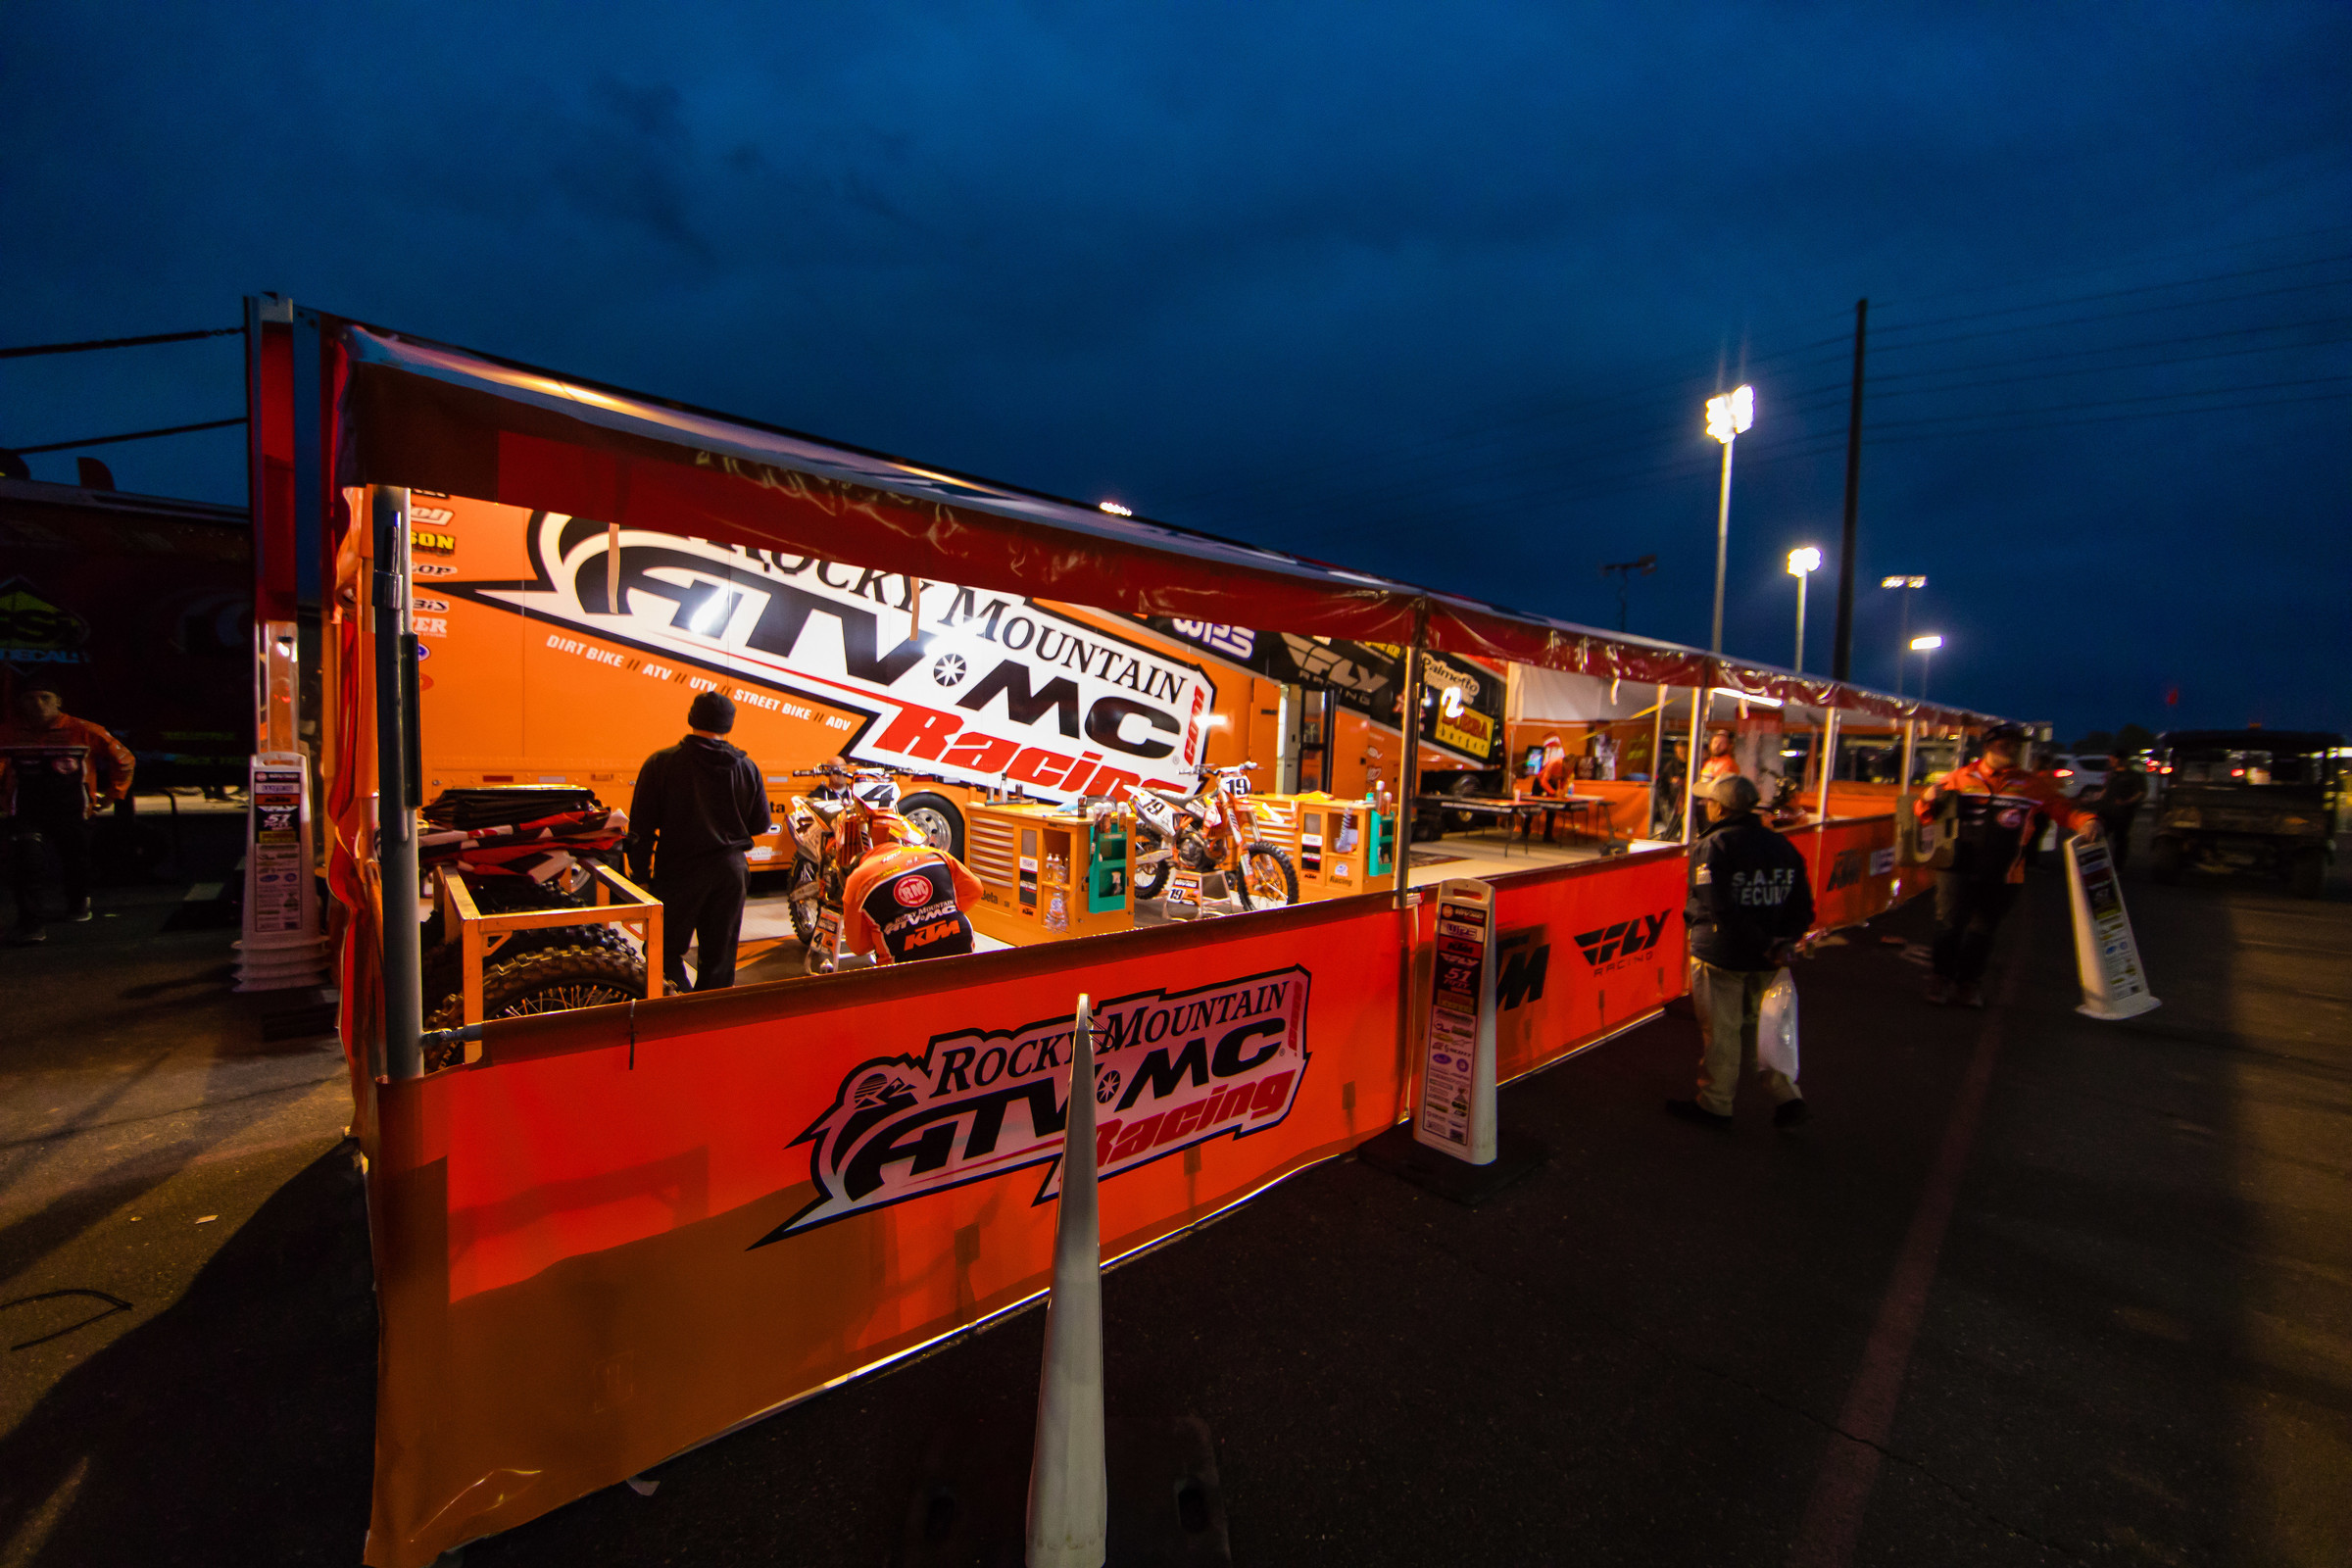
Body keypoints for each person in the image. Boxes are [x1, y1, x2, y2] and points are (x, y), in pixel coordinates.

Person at [1915, 721, 2101, 1007]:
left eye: (2015, 745)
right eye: (2005, 744)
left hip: (2005, 872)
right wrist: (1927, 799)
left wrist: (2085, 821)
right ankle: (1939, 979)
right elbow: (1923, 814)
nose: (2010, 749)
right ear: (1988, 745)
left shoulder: (2030, 783)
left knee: (1983, 931)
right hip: (1956, 867)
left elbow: (2061, 808)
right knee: (1949, 925)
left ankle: (1968, 984)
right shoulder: (1960, 777)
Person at [1669, 773, 1814, 1130]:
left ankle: (1715, 1105)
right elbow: (1803, 908)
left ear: (1720, 807)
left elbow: (1719, 907)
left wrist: (1765, 943)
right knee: (1765, 1030)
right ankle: (1787, 1098)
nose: (1704, 806)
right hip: (1769, 960)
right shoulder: (1782, 846)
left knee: (1722, 1031)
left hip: (1722, 955)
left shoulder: (1714, 846)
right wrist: (1782, 942)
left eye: (1708, 801)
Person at [626, 691, 771, 993]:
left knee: (661, 952)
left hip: (680, 870)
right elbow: (760, 824)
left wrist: (640, 876)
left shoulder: (661, 763)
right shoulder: (747, 767)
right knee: (719, 958)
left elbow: (640, 827)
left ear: (692, 718)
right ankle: (708, 1023)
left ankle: (678, 1003)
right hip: (731, 872)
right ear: (728, 725)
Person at [2, 687, 135, 944]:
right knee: (26, 863)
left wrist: (114, 794)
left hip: (72, 811)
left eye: (45, 697)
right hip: (26, 812)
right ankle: (31, 926)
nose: (38, 704)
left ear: (58, 702)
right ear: (21, 703)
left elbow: (125, 759)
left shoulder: (84, 730)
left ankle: (78, 904)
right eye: (30, 698)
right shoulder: (8, 732)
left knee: (76, 861)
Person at [836, 823, 984, 968]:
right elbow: (975, 890)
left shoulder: (856, 879)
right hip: (959, 941)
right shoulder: (934, 853)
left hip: (904, 960)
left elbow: (859, 947)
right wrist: (941, 912)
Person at [2094, 753, 2147, 869]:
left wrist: (2127, 802)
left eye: (2114, 759)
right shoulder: (2112, 774)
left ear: (2122, 760)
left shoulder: (2134, 776)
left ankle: (2117, 867)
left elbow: (2141, 792)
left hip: (2123, 813)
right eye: (2111, 759)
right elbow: (2106, 790)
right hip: (2106, 811)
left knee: (2120, 840)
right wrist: (2098, 798)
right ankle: (2097, 865)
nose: (2111, 762)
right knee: (2098, 837)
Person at [1648, 738, 1687, 839]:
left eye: (1685, 752)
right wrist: (1667, 797)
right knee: (1672, 827)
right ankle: (1667, 840)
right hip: (1675, 803)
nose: (1683, 755)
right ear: (1676, 753)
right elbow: (1661, 783)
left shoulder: (1692, 765)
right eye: (1680, 752)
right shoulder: (1670, 766)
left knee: (1683, 827)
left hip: (1686, 802)